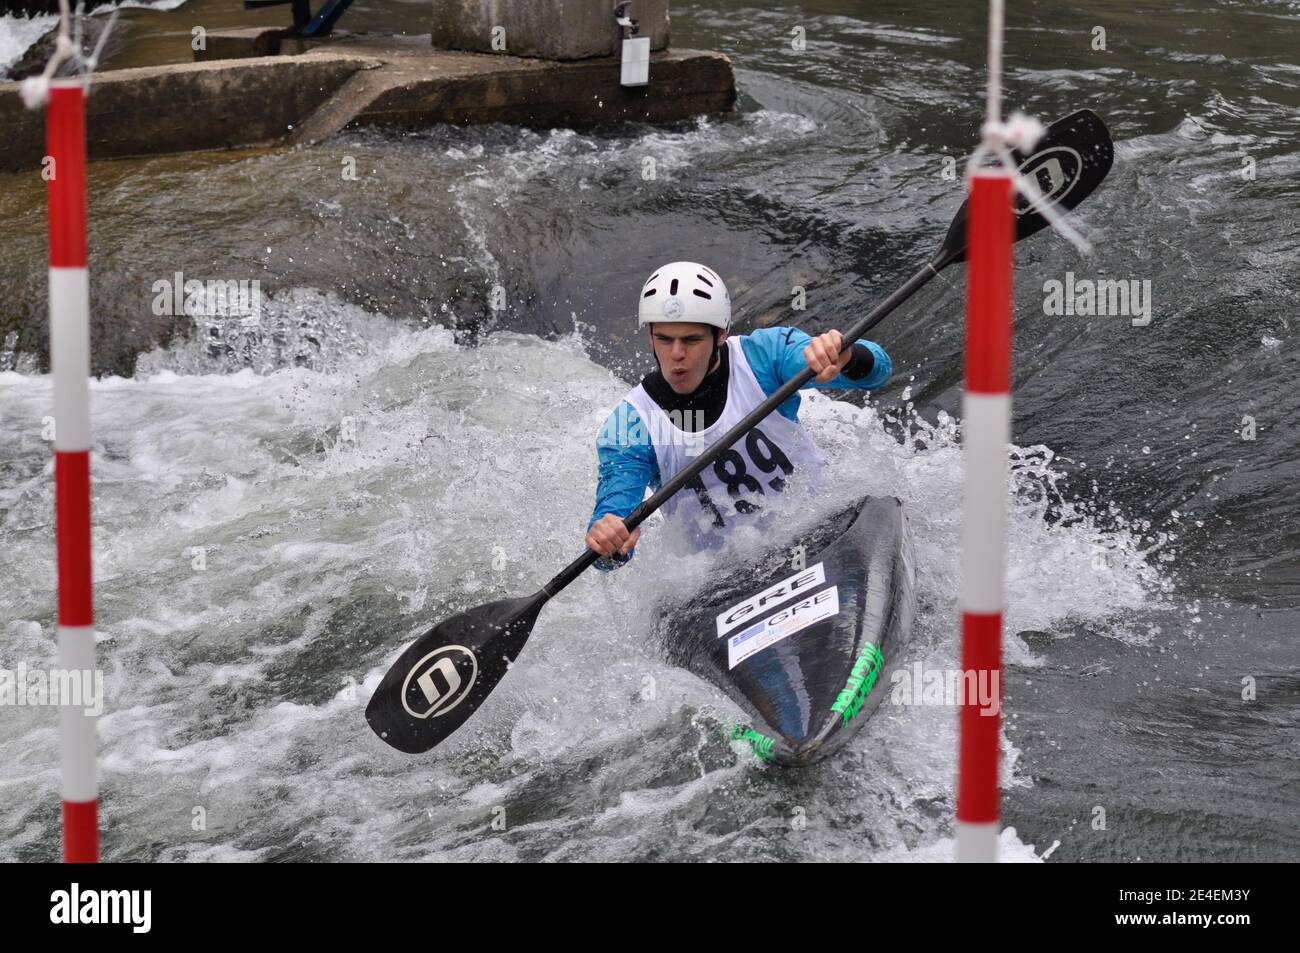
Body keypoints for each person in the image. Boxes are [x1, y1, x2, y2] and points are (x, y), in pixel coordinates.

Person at [585, 261, 892, 570]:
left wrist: (847, 355)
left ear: (720, 335)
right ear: (651, 337)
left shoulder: (765, 356)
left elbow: (878, 372)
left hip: (822, 530)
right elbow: (608, 545)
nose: (676, 354)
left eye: (691, 340)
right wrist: (609, 542)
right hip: (718, 581)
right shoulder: (630, 426)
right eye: (664, 339)